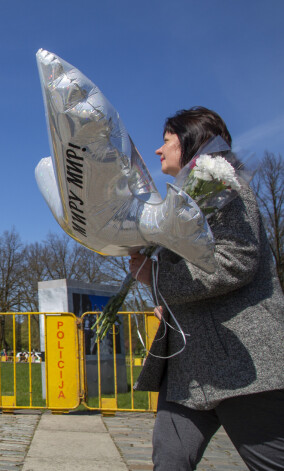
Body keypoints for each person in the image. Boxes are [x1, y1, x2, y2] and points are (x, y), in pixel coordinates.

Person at [129, 107, 284, 470]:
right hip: (187, 369)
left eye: (166, 141)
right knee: (168, 461)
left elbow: (236, 262)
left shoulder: (226, 186)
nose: (158, 150)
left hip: (241, 364)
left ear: (190, 141)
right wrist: (165, 297)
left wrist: (158, 279)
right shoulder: (188, 198)